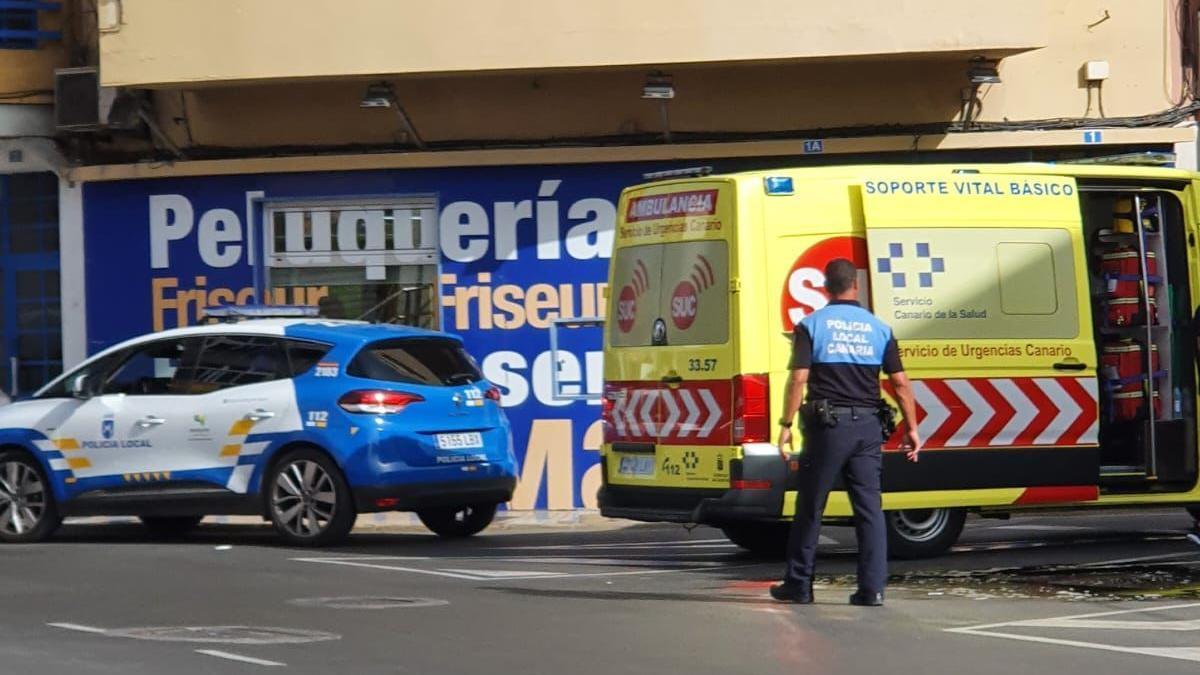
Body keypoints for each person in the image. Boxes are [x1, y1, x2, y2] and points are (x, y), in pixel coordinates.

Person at [769, 258, 920, 607]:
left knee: (811, 506)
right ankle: (872, 589)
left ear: (825, 287)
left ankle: (799, 584)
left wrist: (786, 425)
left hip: (827, 427)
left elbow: (799, 378)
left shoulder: (811, 324)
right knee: (869, 507)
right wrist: (911, 428)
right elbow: (899, 382)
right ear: (856, 286)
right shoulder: (878, 328)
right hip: (868, 427)